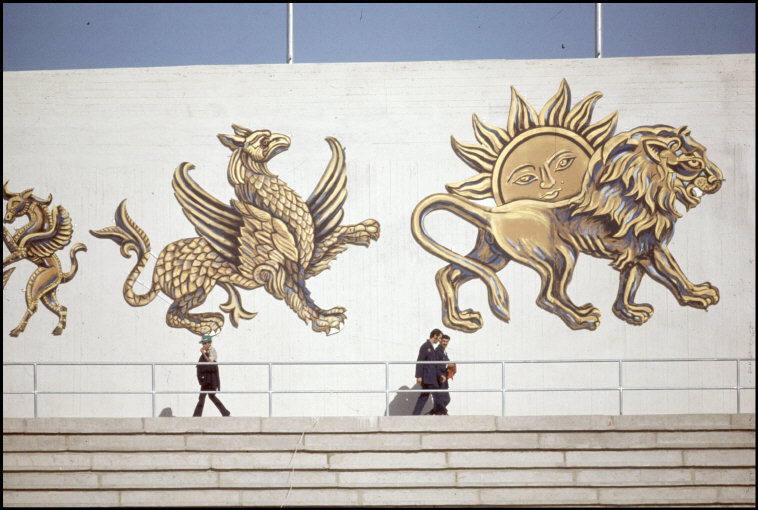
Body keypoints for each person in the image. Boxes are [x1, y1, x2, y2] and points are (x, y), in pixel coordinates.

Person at [192, 335, 231, 417]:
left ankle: (196, 416)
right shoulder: (205, 353)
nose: (203, 345)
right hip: (206, 379)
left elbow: (210, 361)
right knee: (210, 397)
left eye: (205, 343)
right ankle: (225, 413)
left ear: (209, 343)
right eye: (203, 343)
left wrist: (203, 353)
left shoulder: (212, 351)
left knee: (203, 397)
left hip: (210, 380)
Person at [412, 328, 446, 415]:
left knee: (424, 397)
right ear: (435, 336)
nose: (439, 340)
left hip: (432, 377)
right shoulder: (425, 347)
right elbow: (420, 361)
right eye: (439, 338)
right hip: (428, 377)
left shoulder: (432, 348)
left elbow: (434, 365)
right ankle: (444, 412)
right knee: (437, 396)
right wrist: (419, 376)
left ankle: (415, 415)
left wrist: (440, 375)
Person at [435, 334, 453, 415]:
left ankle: (434, 412)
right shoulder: (437, 351)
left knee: (446, 399)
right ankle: (444, 412)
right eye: (444, 341)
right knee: (442, 398)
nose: (445, 343)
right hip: (440, 378)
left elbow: (447, 361)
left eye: (447, 342)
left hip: (445, 378)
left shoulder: (444, 351)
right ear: (440, 341)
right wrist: (447, 365)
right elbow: (435, 365)